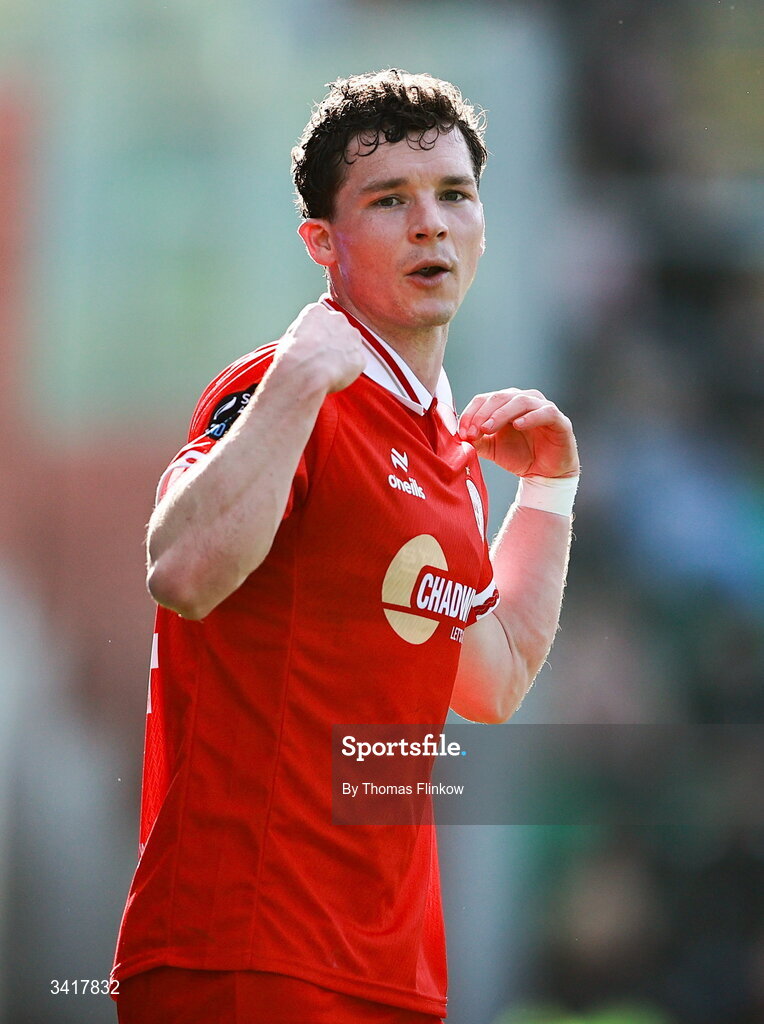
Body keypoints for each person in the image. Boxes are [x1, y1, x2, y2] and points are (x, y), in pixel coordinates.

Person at [112, 69, 579, 1024]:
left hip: (390, 970)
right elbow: (183, 573)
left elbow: (493, 679)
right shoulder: (282, 392)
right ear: (322, 243)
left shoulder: (443, 438)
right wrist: (295, 383)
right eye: (389, 200)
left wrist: (548, 490)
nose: (431, 224)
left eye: (454, 194)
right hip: (248, 951)